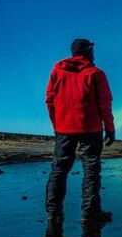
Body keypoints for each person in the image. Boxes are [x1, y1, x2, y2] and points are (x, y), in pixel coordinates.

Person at [45, 38, 115, 224]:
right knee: (91, 170)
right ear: (87, 52)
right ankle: (90, 214)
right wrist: (109, 128)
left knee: (59, 170)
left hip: (64, 128)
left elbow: (50, 100)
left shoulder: (58, 69)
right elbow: (105, 104)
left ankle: (53, 214)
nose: (94, 54)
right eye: (92, 50)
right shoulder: (96, 73)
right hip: (90, 128)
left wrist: (57, 124)